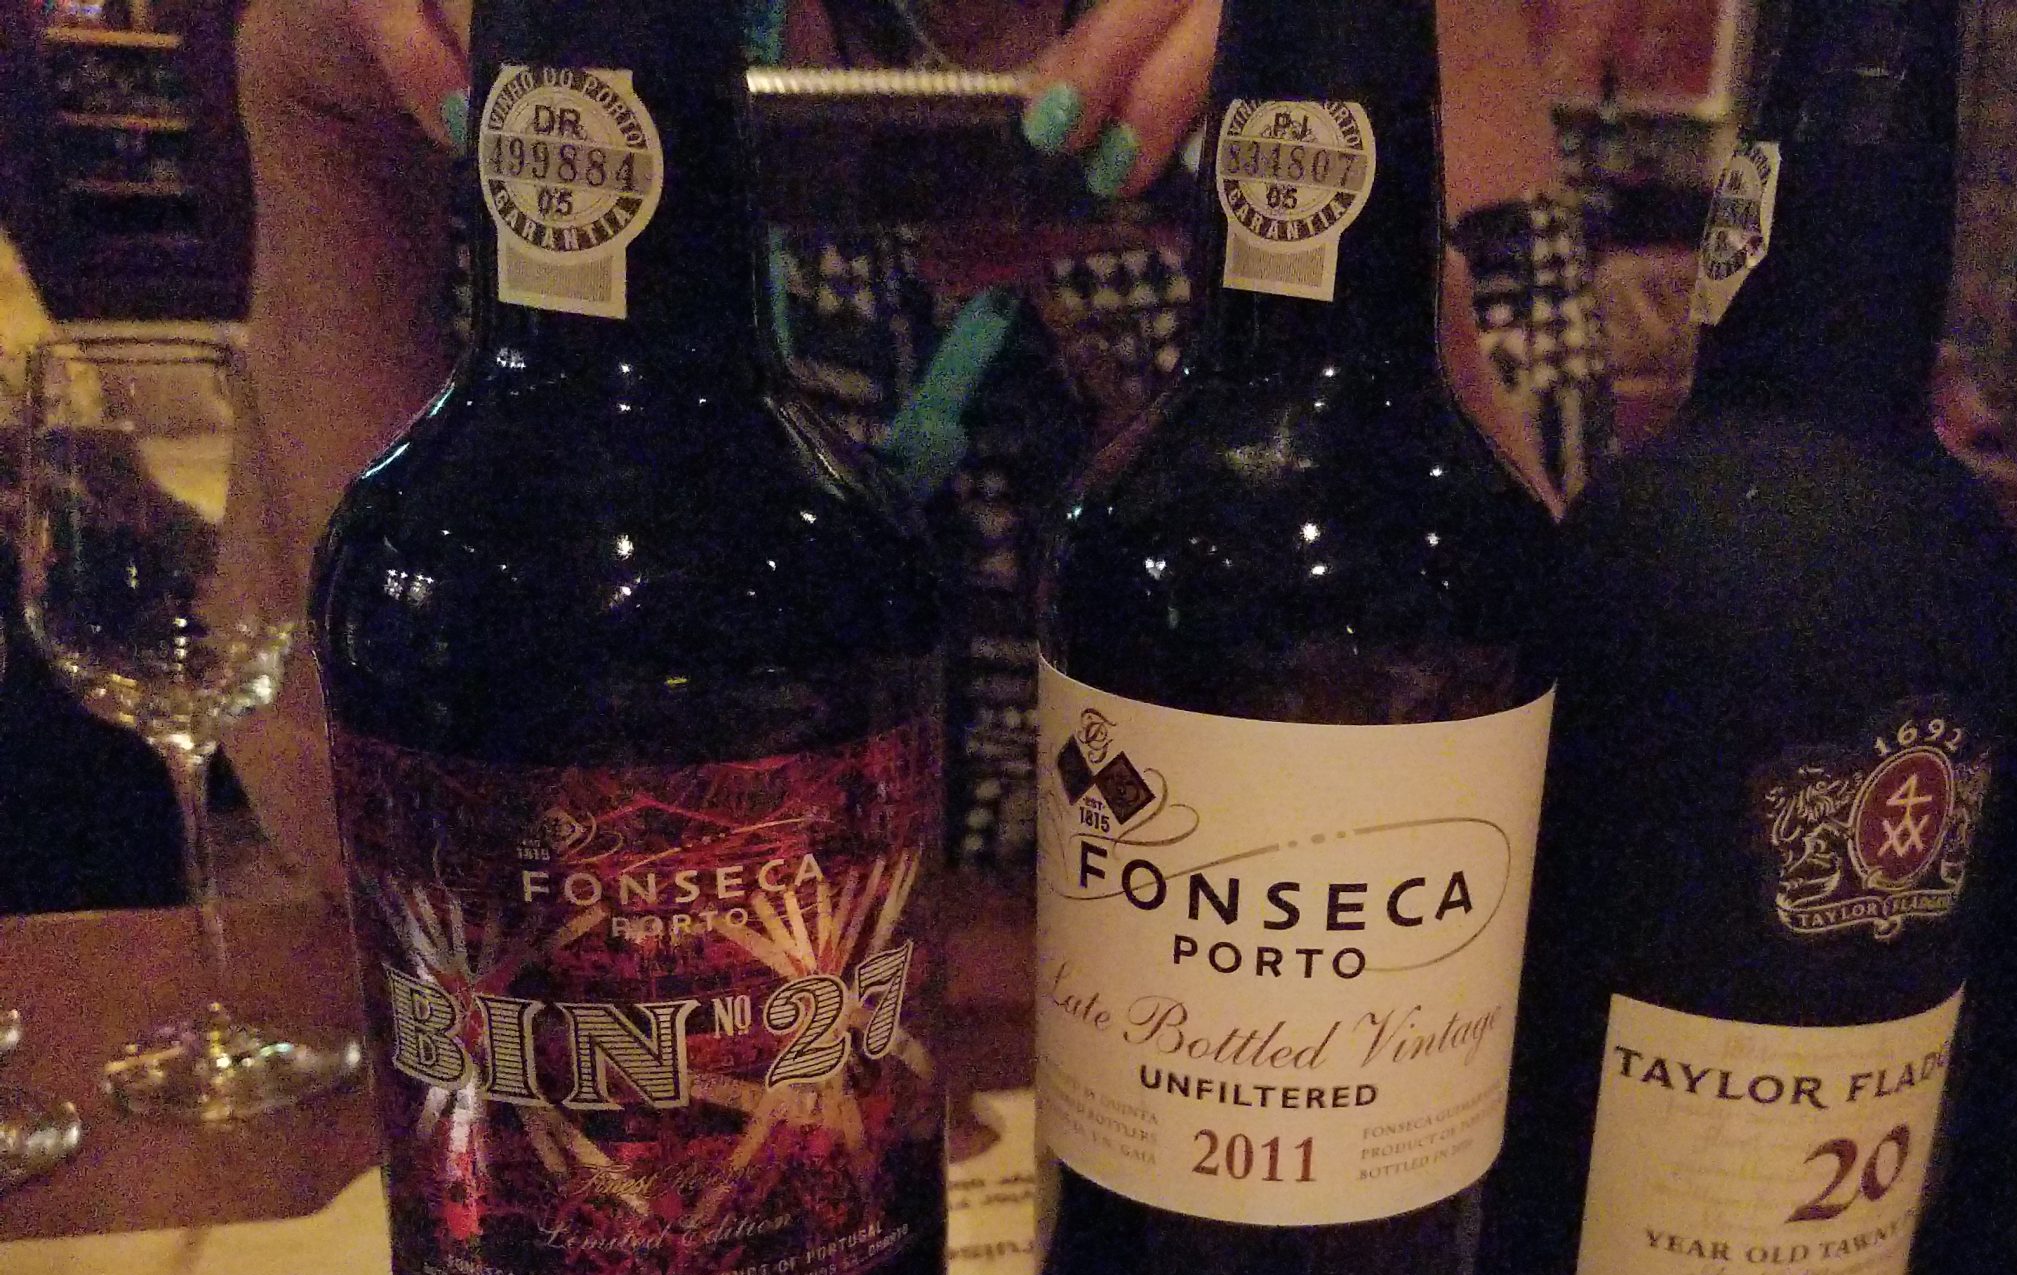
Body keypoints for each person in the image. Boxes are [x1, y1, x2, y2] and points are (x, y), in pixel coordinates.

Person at [214, 0, 1682, 896]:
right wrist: (319, 109)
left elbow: (1524, 768)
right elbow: (333, 821)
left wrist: (1328, 229)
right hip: (669, 1058)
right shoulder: (564, 42)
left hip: (1213, 1084)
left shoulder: (1429, 33)